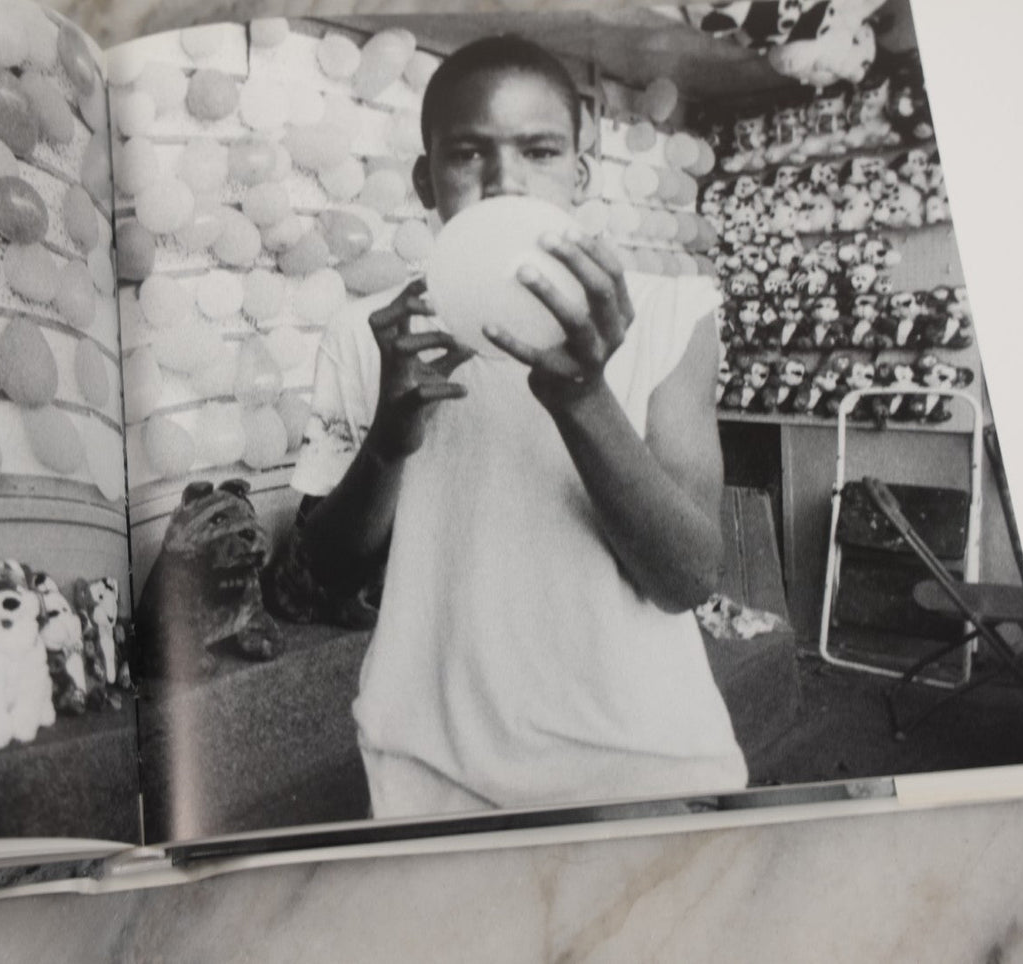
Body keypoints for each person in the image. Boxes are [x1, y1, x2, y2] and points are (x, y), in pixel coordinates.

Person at [277, 34, 748, 818]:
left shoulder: (669, 313)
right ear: (426, 179)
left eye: (537, 152)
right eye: (468, 155)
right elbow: (322, 575)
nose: (503, 183)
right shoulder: (371, 332)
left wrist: (583, 396)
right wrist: (390, 439)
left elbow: (687, 578)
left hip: (637, 769)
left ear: (578, 173)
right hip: (426, 770)